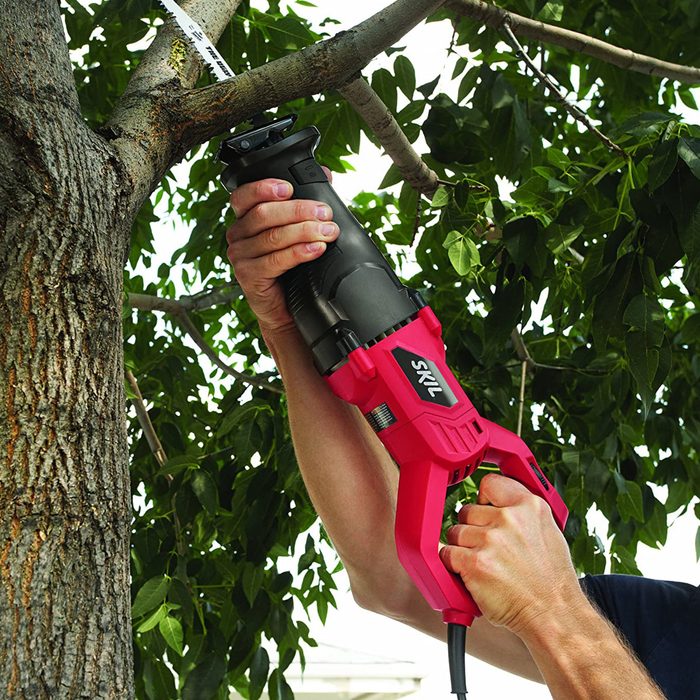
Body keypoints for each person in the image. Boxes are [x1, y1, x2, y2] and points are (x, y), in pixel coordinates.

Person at [225, 175, 699, 699]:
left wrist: (551, 609)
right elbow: (398, 577)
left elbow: (548, 608)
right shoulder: (670, 627)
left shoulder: (585, 616)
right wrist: (292, 326)